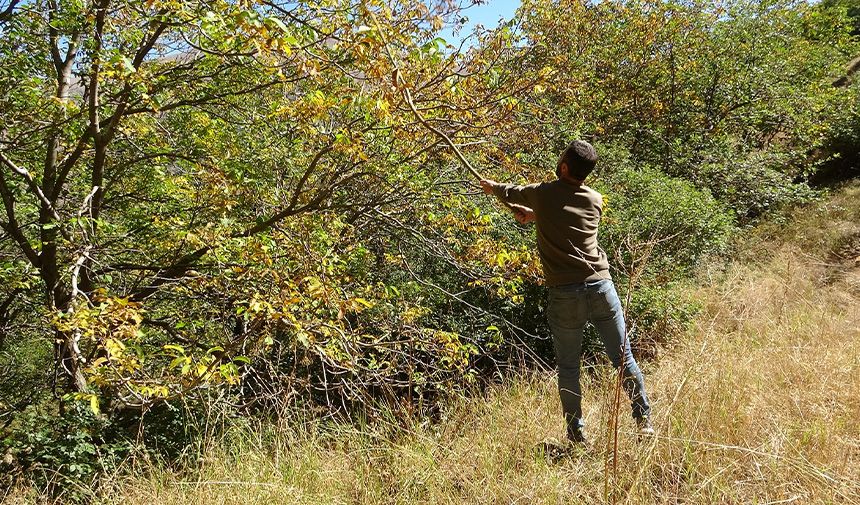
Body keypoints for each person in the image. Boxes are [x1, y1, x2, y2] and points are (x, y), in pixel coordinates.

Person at [480, 139, 654, 446]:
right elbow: (572, 220)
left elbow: (511, 191)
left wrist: (492, 187)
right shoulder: (595, 199)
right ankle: (644, 423)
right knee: (622, 358)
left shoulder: (543, 193)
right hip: (601, 286)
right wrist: (536, 216)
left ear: (563, 166)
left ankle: (576, 436)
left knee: (570, 368)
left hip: (565, 293)